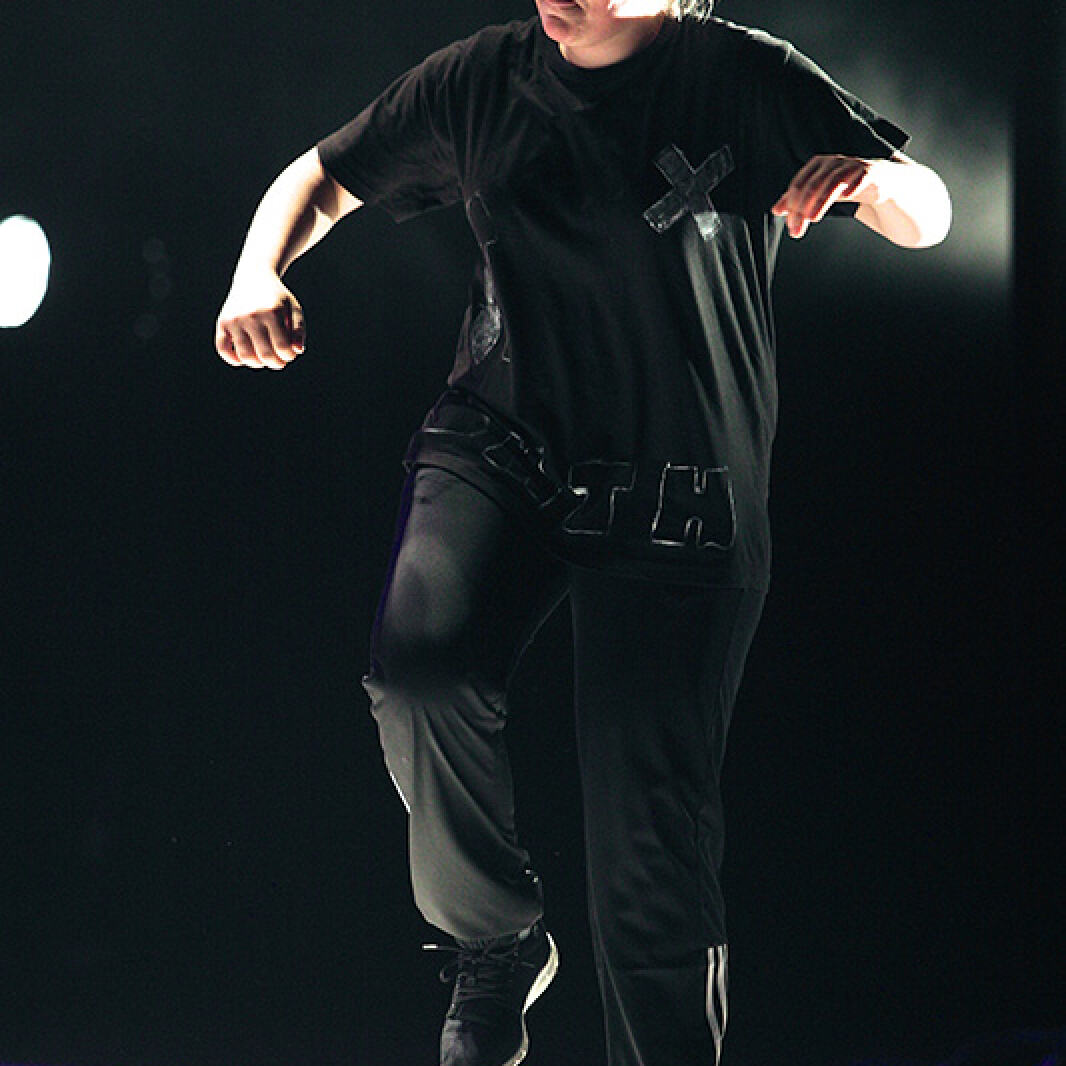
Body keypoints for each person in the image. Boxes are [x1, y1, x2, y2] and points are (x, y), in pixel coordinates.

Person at [214, 1, 951, 1064]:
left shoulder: (744, 75)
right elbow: (324, 174)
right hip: (504, 443)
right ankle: (495, 939)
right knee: (421, 672)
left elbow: (927, 206)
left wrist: (875, 183)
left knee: (648, 852)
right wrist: (257, 270)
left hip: (681, 485)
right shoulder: (478, 80)